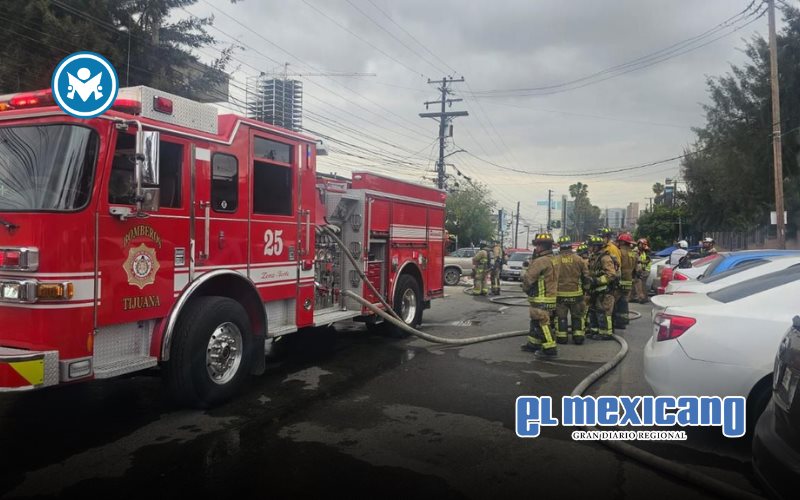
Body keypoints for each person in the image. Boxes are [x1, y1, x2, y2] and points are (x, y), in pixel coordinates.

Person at [521, 233, 560, 357]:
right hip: (550, 297)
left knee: (543, 322)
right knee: (536, 321)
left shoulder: (540, 261)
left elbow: (528, 279)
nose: (536, 248)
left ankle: (550, 349)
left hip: (540, 298)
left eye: (537, 245)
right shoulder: (554, 259)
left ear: (542, 246)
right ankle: (533, 344)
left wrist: (526, 289)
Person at [554, 236, 589, 345]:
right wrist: (586, 290)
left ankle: (562, 338)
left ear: (560, 247)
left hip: (560, 295)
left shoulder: (555, 260)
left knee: (561, 317)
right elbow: (586, 277)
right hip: (576, 294)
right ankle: (578, 337)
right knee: (577, 316)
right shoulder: (579, 259)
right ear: (570, 246)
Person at [586, 235, 617, 340]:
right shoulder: (593, 257)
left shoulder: (605, 258)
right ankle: (594, 331)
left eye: (591, 246)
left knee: (604, 312)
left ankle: (606, 333)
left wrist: (597, 281)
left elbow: (611, 275)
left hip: (605, 291)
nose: (589, 248)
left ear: (596, 247)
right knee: (593, 311)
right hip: (595, 291)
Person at [614, 232, 636, 330]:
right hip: (629, 280)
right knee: (624, 301)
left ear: (622, 242)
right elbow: (636, 269)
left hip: (621, 280)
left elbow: (617, 266)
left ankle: (617, 322)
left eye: (619, 241)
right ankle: (624, 321)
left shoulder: (619, 252)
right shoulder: (633, 253)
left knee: (616, 301)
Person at [633, 238, 652, 304]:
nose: (643, 246)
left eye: (644, 244)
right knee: (639, 284)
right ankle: (641, 298)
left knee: (640, 284)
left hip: (644, 270)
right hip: (640, 270)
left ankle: (642, 298)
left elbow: (645, 260)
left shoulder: (644, 252)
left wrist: (642, 262)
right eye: (642, 244)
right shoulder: (637, 251)